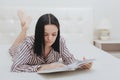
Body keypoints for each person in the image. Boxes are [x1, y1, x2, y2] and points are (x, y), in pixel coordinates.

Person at [9, 10, 92, 72]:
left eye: (54, 34)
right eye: (45, 34)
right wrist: (43, 67)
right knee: (15, 46)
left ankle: (24, 28)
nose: (50, 39)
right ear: (38, 33)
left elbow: (69, 59)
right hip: (18, 49)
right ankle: (24, 29)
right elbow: (15, 67)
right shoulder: (28, 44)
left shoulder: (60, 41)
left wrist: (81, 65)